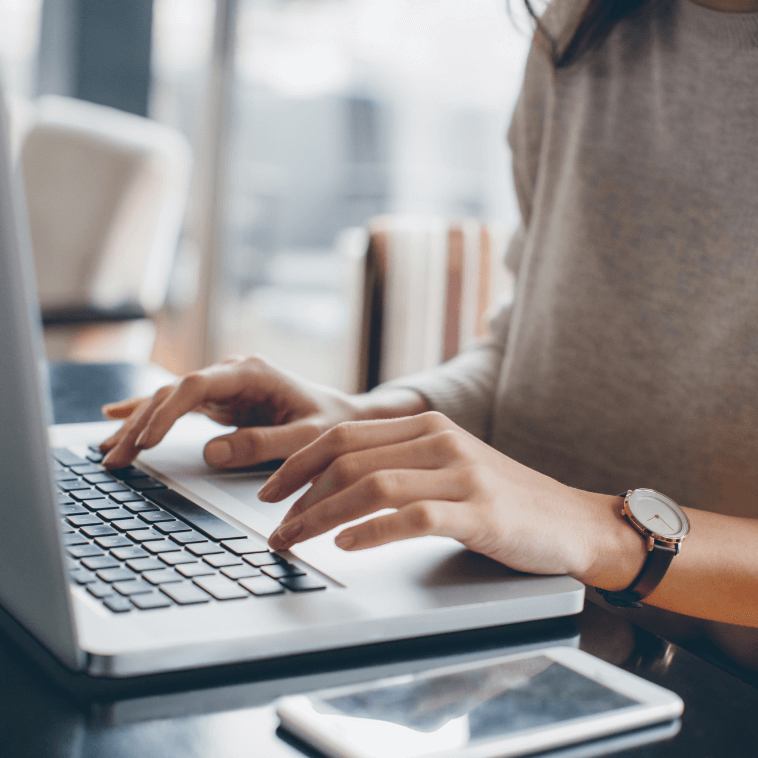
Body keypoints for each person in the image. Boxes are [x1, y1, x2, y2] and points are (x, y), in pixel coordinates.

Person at [99, 0, 758, 628]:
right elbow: (531, 343)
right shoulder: (581, 26)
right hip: (503, 618)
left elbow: (576, 520)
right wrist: (374, 418)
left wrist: (597, 530)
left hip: (709, 687)